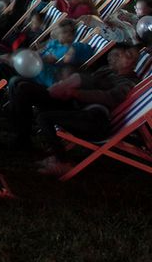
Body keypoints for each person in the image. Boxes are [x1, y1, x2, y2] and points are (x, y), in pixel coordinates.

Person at [33, 46, 140, 176]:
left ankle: (62, 161)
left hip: (95, 121)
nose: (118, 55)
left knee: (44, 118)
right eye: (120, 53)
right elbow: (90, 81)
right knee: (41, 106)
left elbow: (110, 97)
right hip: (82, 110)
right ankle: (57, 156)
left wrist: (77, 93)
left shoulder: (128, 82)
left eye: (127, 55)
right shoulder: (106, 70)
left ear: (133, 64)